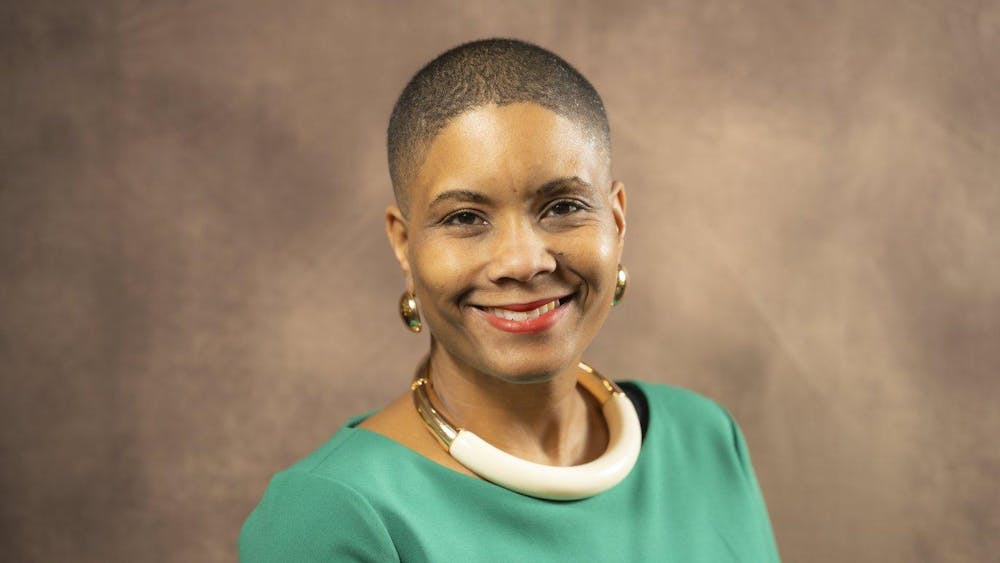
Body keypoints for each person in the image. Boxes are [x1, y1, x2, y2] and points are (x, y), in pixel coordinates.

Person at [239, 38, 780, 562]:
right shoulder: (332, 516)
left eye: (563, 206)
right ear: (404, 245)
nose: (523, 262)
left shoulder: (705, 440)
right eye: (466, 218)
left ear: (615, 220)